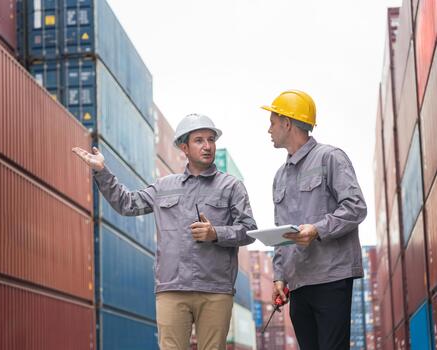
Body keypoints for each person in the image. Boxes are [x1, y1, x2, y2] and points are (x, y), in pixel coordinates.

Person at [72, 113, 256, 350]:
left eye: (211, 139)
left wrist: (216, 233)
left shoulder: (231, 186)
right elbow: (127, 204)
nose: (208, 146)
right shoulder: (164, 187)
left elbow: (249, 230)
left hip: (215, 289)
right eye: (199, 140)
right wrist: (102, 171)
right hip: (172, 289)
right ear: (184, 147)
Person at [261, 90, 367, 350]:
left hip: (330, 276)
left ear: (287, 123)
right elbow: (281, 234)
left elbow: (356, 207)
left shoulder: (330, 157)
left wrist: (317, 230)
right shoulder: (279, 177)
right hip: (298, 282)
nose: (269, 129)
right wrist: (279, 277)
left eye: (272, 122)